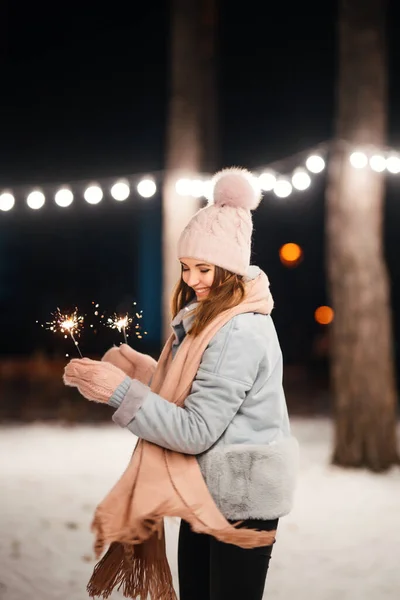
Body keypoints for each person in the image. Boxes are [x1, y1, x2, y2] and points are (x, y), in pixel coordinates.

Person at [63, 167, 299, 600]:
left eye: (204, 268)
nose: (191, 280)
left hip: (238, 502)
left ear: (229, 268)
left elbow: (195, 429)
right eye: (186, 267)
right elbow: (203, 394)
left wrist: (120, 392)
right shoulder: (209, 320)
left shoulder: (238, 330)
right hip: (208, 489)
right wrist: (147, 375)